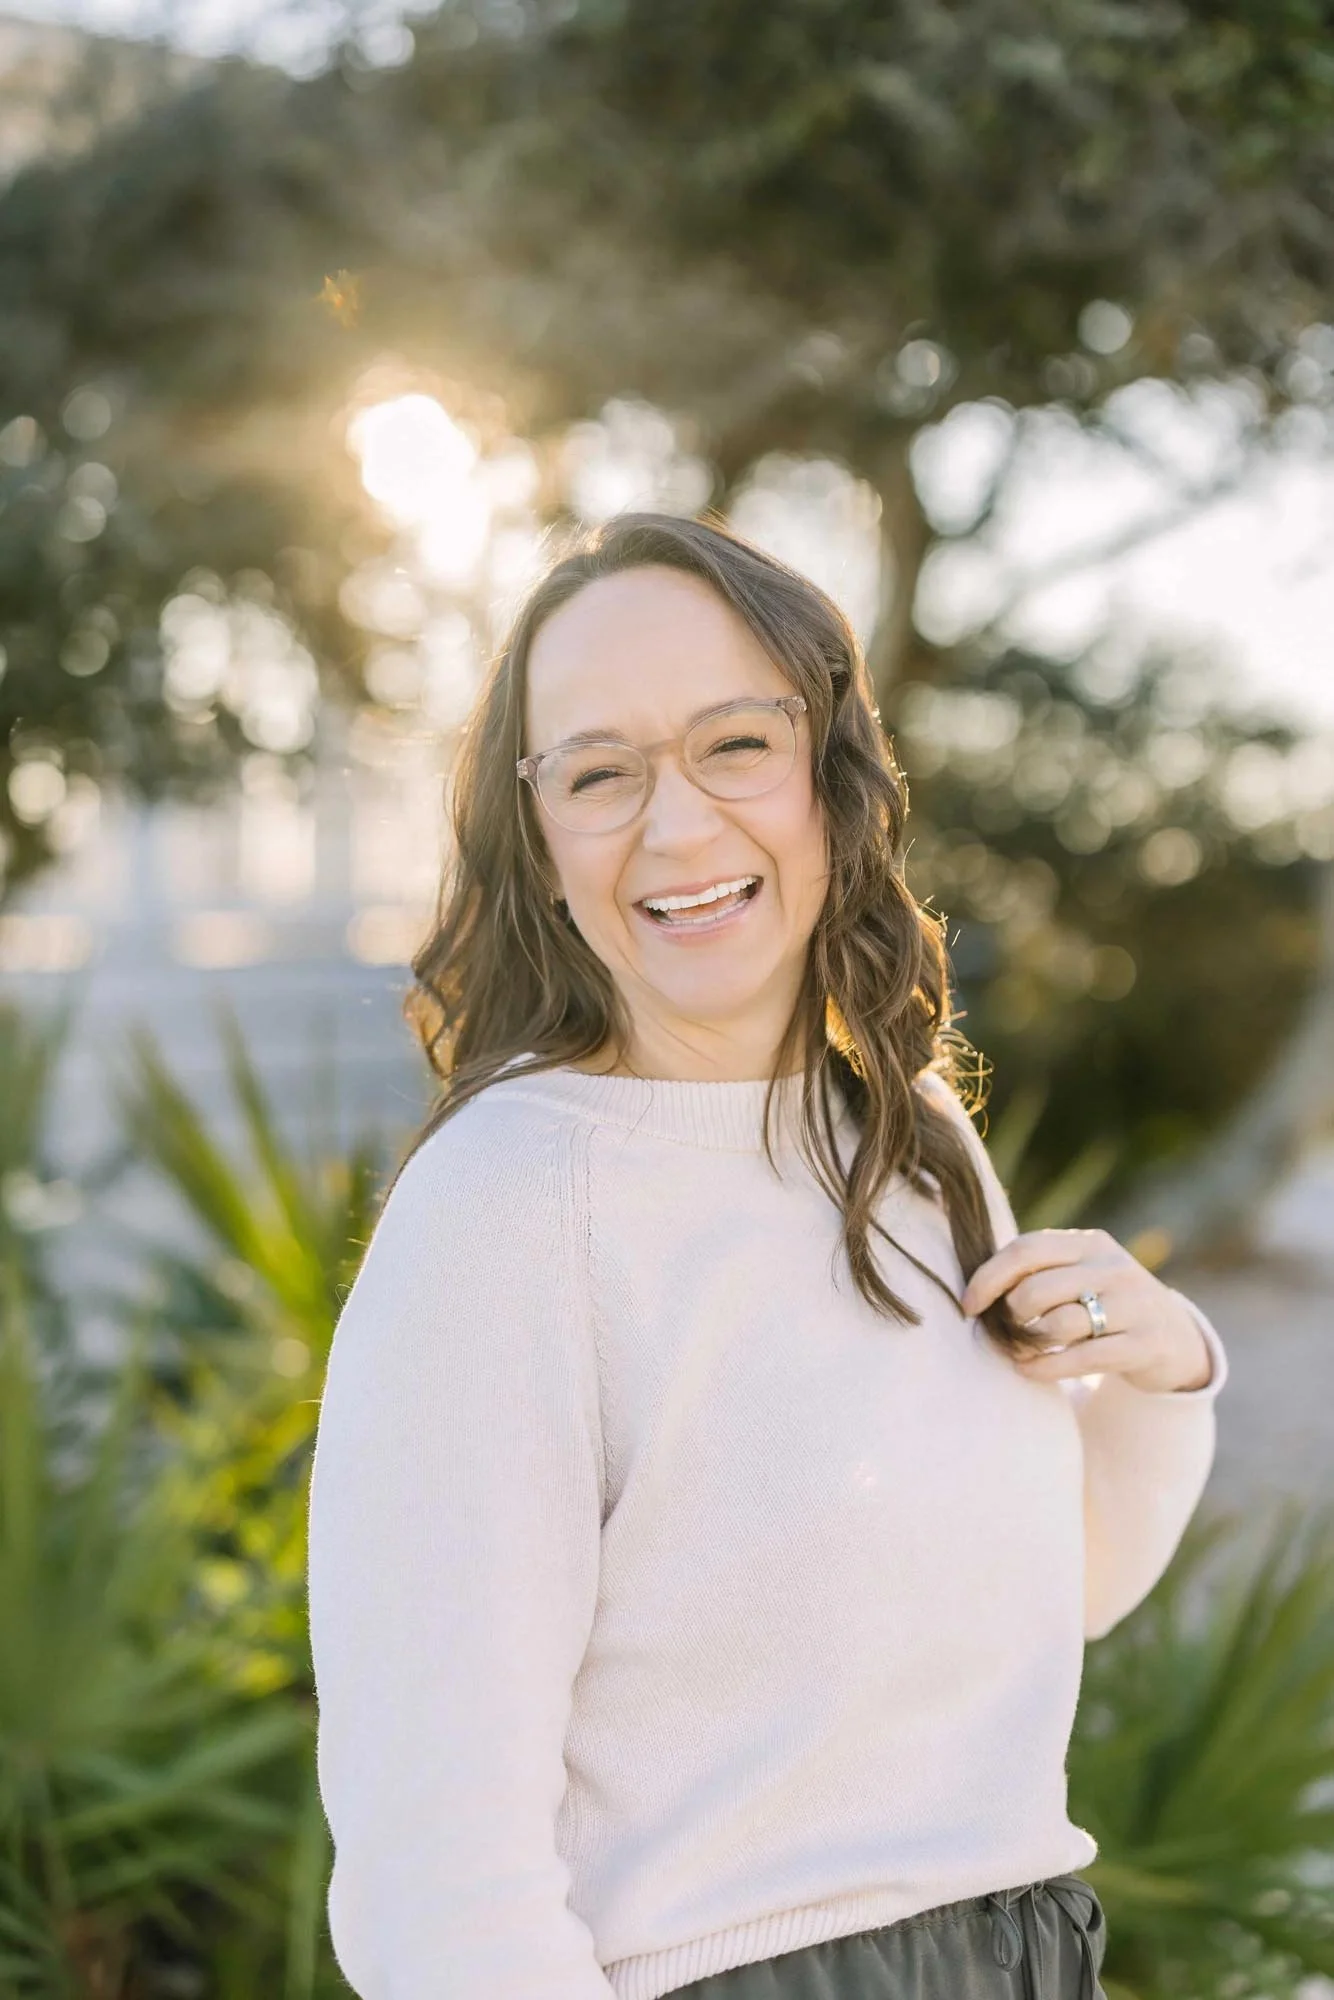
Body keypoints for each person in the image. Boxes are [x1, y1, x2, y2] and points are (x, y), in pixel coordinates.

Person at [305, 510, 1228, 2000]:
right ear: (538, 845)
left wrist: (1160, 1375)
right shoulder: (508, 1205)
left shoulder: (906, 1134)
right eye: (600, 774)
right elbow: (435, 1870)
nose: (676, 829)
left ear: (831, 781)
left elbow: (1030, 1606)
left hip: (1020, 1950)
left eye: (735, 744)